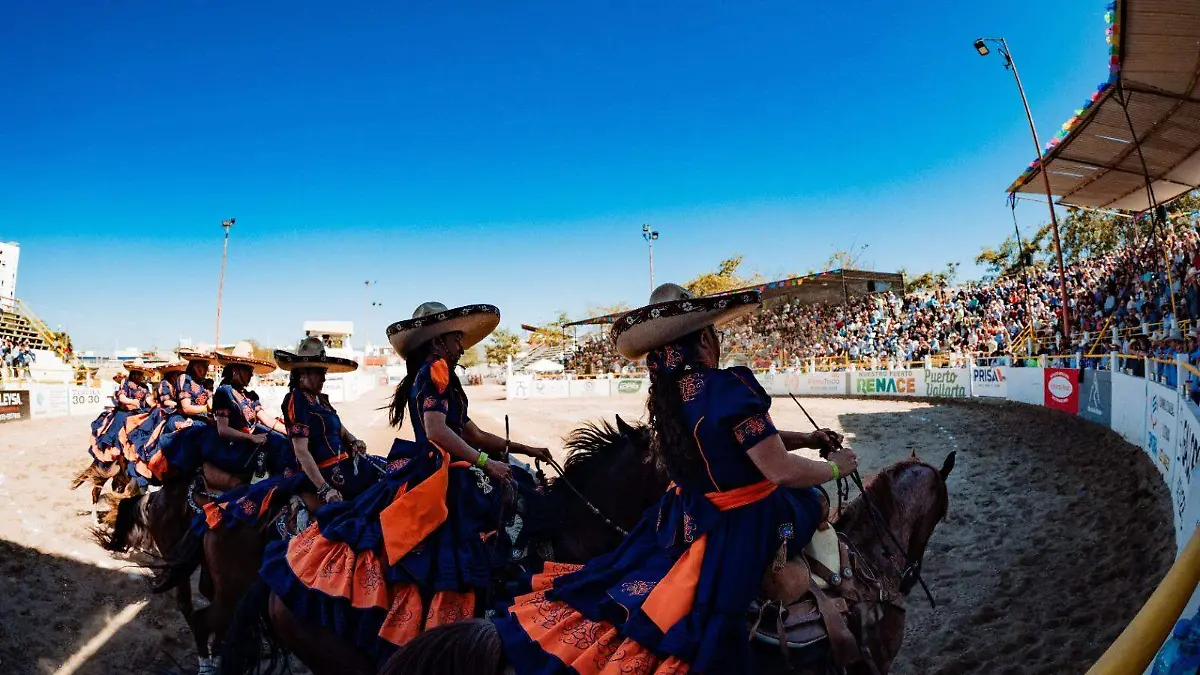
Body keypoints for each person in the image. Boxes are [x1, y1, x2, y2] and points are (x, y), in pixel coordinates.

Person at [493, 283, 858, 674]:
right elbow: (782, 470)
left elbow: (742, 437)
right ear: (705, 337)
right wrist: (838, 466)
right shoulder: (729, 386)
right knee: (815, 499)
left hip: (688, 513)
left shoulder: (670, 396)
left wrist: (804, 438)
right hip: (743, 520)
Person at [261, 302, 552, 663]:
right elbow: (435, 430)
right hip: (438, 471)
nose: (462, 346)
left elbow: (471, 431)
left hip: (439, 465)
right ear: (437, 342)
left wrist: (521, 449)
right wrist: (483, 462)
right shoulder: (435, 370)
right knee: (452, 549)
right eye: (457, 338)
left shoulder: (446, 374)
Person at [203, 341, 292, 491]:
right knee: (278, 447)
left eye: (251, 370)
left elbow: (267, 420)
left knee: (284, 442)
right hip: (235, 447)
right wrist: (251, 438)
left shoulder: (250, 395)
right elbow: (223, 430)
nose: (251, 374)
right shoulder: (224, 393)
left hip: (254, 441)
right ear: (236, 370)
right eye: (248, 370)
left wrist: (290, 432)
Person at [150, 348, 216, 482]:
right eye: (205, 366)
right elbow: (186, 408)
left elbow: (211, 402)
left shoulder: (206, 383)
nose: (207, 369)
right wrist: (206, 408)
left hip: (201, 418)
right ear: (196, 366)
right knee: (191, 432)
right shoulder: (184, 378)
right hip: (181, 416)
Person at [88, 359, 155, 477]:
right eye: (136, 372)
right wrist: (133, 402)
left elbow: (149, 400)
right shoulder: (126, 382)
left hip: (138, 414)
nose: (138, 375)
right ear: (132, 372)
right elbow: (122, 398)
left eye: (140, 373)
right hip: (124, 413)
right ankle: (111, 452)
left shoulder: (145, 387)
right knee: (115, 430)